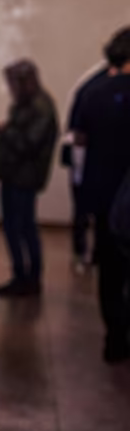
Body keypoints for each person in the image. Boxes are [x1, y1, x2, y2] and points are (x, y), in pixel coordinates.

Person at [75, 27, 130, 362]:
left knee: (109, 270)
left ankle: (114, 338)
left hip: (104, 197)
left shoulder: (93, 92)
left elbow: (79, 143)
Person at [0, 60, 59, 296]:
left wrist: (4, 130)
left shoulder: (40, 107)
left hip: (23, 178)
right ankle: (25, 277)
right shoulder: (32, 104)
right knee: (19, 228)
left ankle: (27, 279)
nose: (9, 88)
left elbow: (29, 144)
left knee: (21, 228)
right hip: (16, 175)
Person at [63, 64, 111, 273]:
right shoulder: (101, 87)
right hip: (92, 159)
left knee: (83, 209)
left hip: (83, 158)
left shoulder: (91, 86)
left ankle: (83, 252)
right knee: (97, 212)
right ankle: (92, 254)